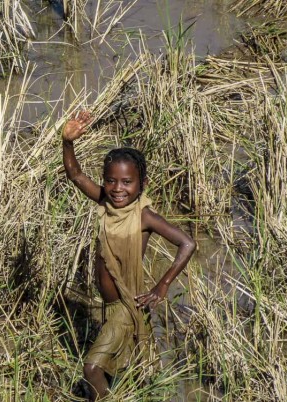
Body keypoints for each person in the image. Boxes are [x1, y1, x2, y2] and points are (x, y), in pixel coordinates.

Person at [62, 110, 196, 401]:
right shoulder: (106, 202)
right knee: (133, 367)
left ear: (141, 184)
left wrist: (162, 286)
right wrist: (67, 142)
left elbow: (187, 243)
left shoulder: (144, 216)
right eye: (111, 181)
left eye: (126, 182)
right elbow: (74, 174)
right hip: (109, 306)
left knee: (92, 368)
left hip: (125, 305)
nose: (117, 189)